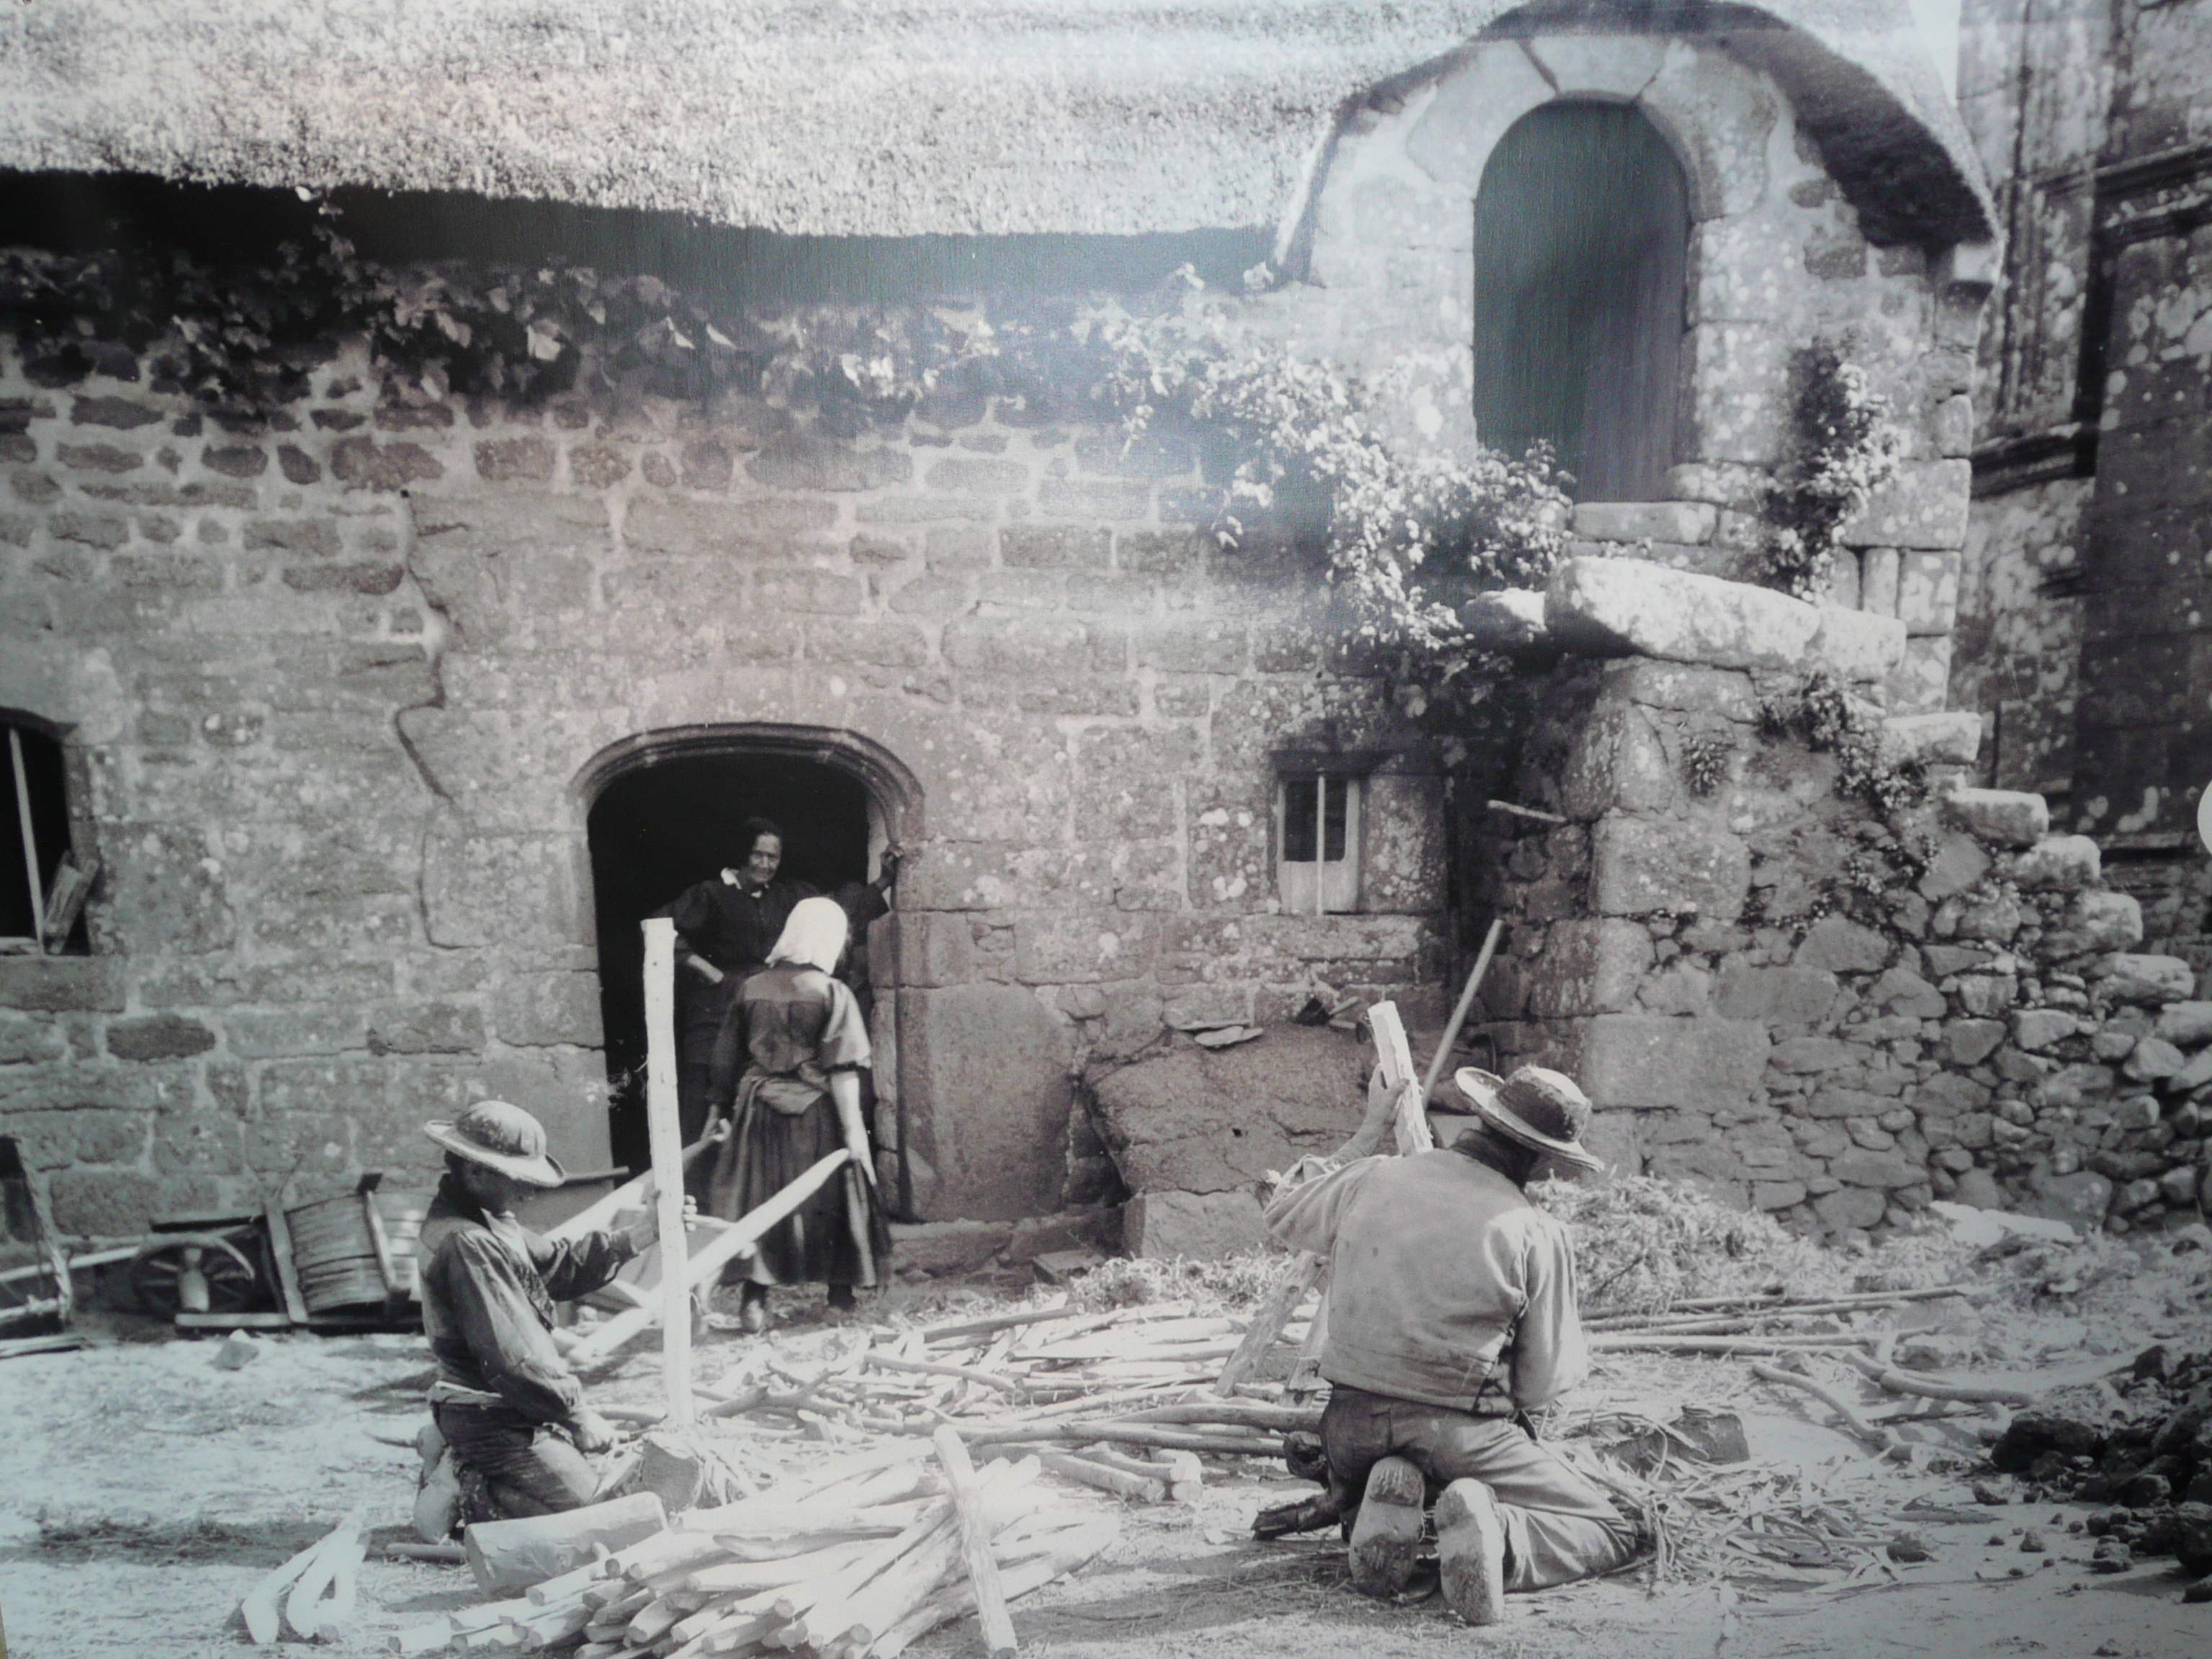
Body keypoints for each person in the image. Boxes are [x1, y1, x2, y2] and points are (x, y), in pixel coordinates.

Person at [1262, 1063, 1644, 1624]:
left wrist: (1369, 1131)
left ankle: (1386, 1499)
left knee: (1396, 1461)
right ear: (1542, 1161)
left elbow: (1282, 1212)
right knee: (1612, 1529)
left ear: (1482, 1118)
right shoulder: (1535, 1232)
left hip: (1346, 1428)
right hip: (1455, 1436)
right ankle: (1500, 1539)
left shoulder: (1375, 1176)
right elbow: (1541, 1386)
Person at [412, 1099, 679, 1531]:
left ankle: (464, 1455)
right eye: (518, 1179)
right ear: (476, 1171)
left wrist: (642, 1234)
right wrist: (576, 1415)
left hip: (511, 1407)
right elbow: (514, 1354)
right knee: (600, 1517)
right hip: (490, 1415)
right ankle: (468, 1484)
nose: (529, 1191)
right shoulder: (468, 1243)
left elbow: (557, 1265)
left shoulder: (493, 1221)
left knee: (597, 1501)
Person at [703, 895, 891, 1334]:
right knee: (833, 1197)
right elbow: (844, 1069)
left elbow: (724, 1059)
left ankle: (754, 1301)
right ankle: (839, 1299)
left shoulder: (750, 987)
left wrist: (717, 1110)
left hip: (757, 1110)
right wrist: (855, 1136)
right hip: (814, 1115)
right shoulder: (832, 993)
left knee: (760, 1200)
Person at [652, 817, 818, 1156]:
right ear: (742, 854)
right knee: (704, 1093)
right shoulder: (710, 894)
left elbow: (831, 909)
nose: (766, 864)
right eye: (758, 855)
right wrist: (709, 971)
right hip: (715, 1007)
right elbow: (659, 927)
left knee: (751, 1093)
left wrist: (883, 882)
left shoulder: (785, 897)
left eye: (774, 857)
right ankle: (690, 1188)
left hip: (760, 1012)